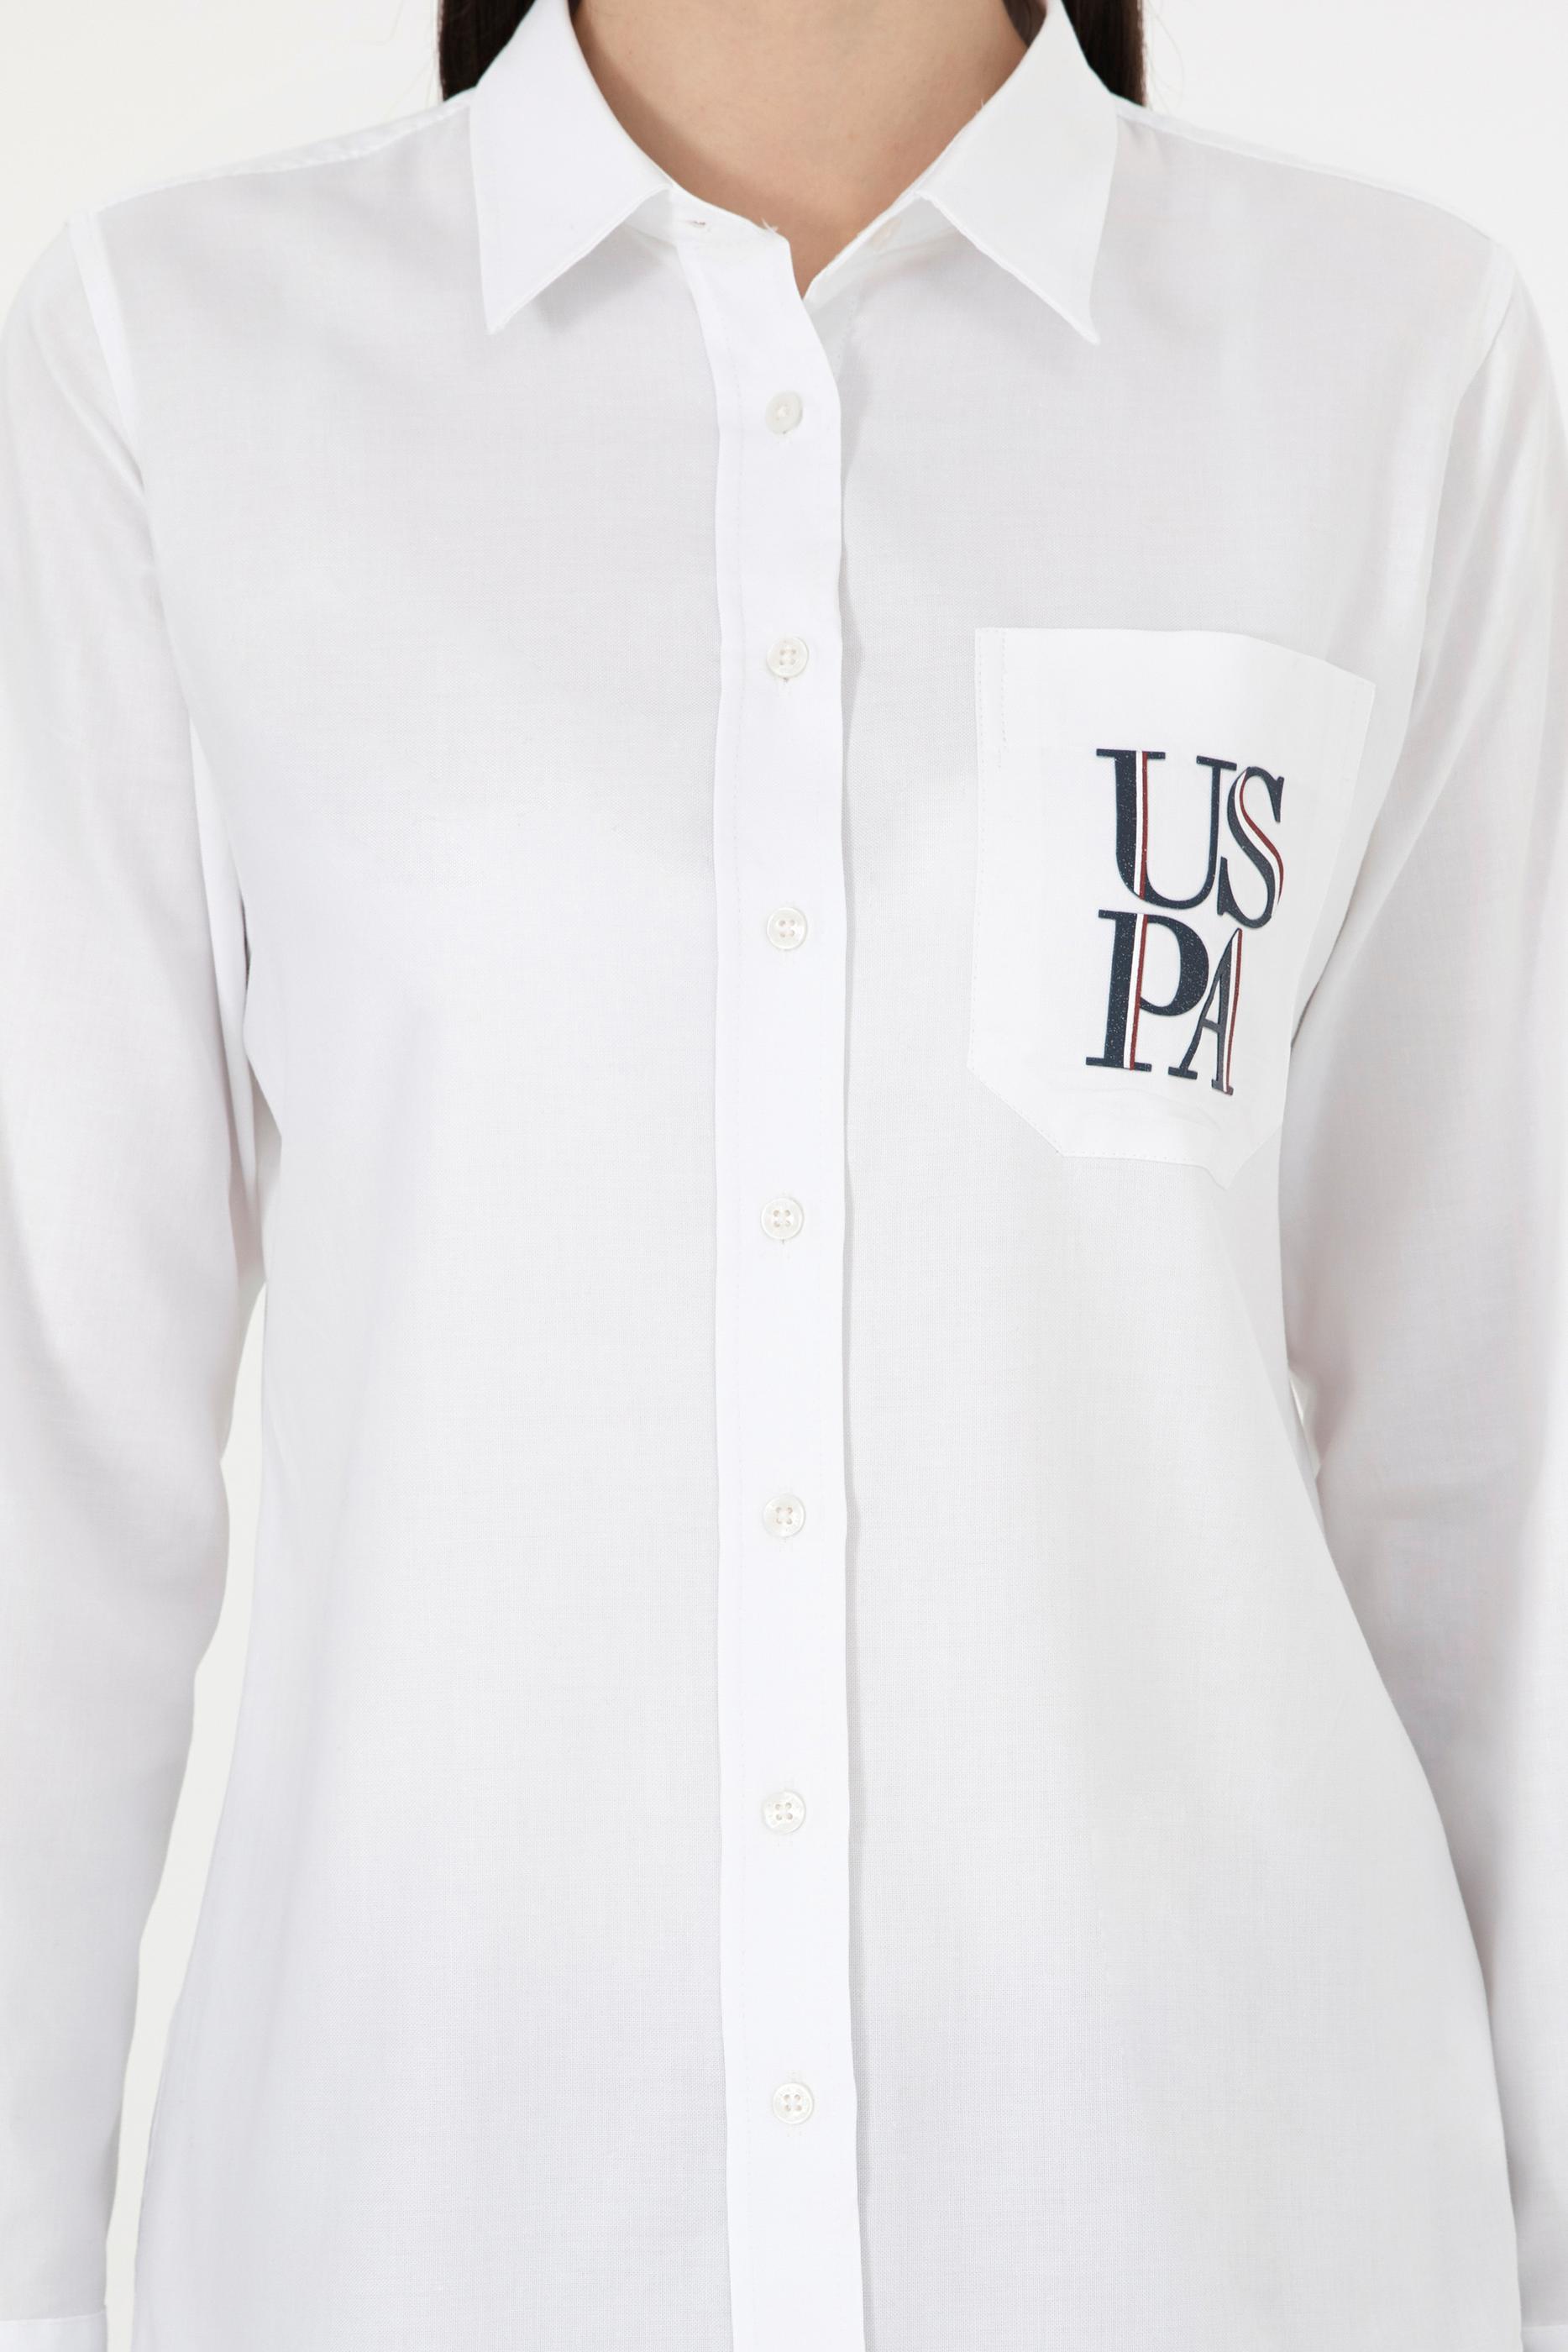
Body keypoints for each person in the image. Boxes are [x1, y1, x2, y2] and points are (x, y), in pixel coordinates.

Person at [0, 0, 1562, 2344]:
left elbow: (1499, 1460)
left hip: (1211, 2234)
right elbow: (51, 1484)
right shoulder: (179, 357)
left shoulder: (1388, 362)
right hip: (437, 2238)